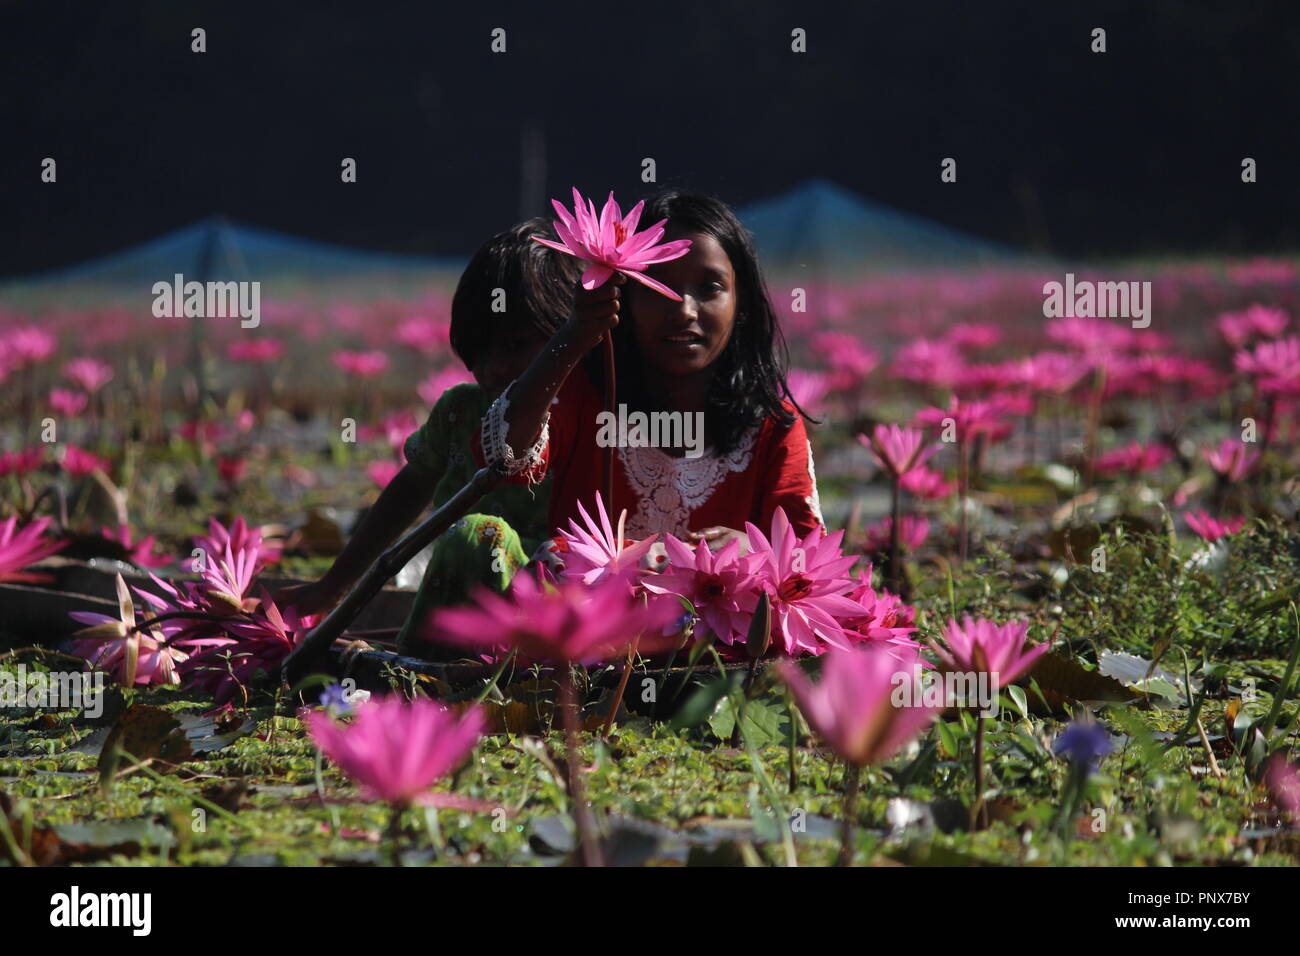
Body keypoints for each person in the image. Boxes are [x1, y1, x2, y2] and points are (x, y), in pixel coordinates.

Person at [275, 219, 580, 652]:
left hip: (553, 614)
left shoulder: (591, 416)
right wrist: (333, 586)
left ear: (570, 334)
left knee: (481, 534)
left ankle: (417, 662)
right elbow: (408, 490)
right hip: (461, 590)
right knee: (475, 537)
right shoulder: (459, 411)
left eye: (515, 346)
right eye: (480, 349)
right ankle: (426, 661)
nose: (492, 368)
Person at [478, 190, 825, 562]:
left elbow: (809, 560)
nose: (684, 310)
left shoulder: (773, 424)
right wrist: (573, 336)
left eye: (710, 288)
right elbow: (503, 457)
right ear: (624, 302)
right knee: (554, 558)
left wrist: (754, 552)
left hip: (714, 617)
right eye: (658, 286)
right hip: (588, 614)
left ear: (741, 306)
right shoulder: (583, 394)